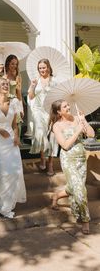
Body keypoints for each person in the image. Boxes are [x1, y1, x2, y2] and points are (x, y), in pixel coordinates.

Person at [0, 77, 26, 218]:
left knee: (15, 172)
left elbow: (14, 124)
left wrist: (17, 136)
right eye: (3, 84)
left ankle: (8, 205)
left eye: (7, 84)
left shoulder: (14, 102)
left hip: (11, 143)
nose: (6, 86)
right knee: (4, 173)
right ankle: (2, 206)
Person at [49, 99, 95, 235]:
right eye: (65, 106)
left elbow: (92, 135)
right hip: (68, 160)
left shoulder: (77, 119)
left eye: (68, 105)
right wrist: (78, 131)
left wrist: (84, 120)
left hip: (81, 159)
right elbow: (65, 145)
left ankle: (56, 196)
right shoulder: (57, 126)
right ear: (59, 111)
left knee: (74, 187)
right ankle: (85, 221)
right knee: (80, 190)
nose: (68, 107)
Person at [28, 58, 58, 176]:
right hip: (38, 110)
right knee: (40, 133)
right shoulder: (36, 81)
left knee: (52, 137)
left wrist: (56, 113)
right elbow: (30, 97)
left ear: (48, 67)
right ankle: (42, 157)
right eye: (40, 68)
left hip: (51, 111)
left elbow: (58, 97)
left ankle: (50, 163)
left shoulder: (54, 81)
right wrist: (32, 86)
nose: (42, 70)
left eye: (44, 67)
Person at [0, 54, 24, 138]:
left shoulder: (17, 76)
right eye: (12, 64)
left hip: (14, 103)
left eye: (16, 64)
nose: (14, 66)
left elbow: (19, 93)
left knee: (16, 126)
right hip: (3, 103)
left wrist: (21, 108)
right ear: (7, 63)